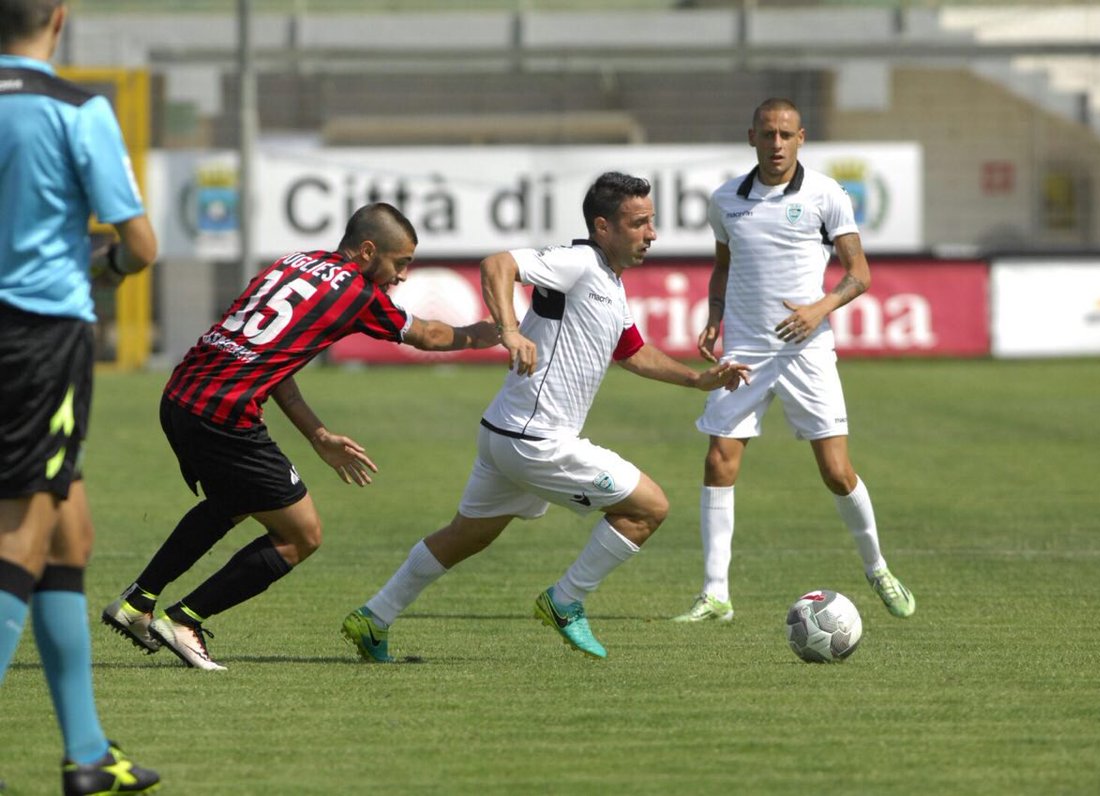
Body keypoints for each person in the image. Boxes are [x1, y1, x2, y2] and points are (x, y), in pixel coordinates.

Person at [340, 172, 750, 661]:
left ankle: (374, 617)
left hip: (504, 434)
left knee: (465, 536)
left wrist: (697, 380)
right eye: (639, 223)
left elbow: (633, 353)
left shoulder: (611, 285)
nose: (652, 234)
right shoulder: (577, 261)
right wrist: (511, 332)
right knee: (649, 508)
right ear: (603, 227)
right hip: (535, 439)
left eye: (652, 222)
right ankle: (566, 600)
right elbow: (497, 263)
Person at [100, 203, 499, 672]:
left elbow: (274, 364)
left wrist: (317, 435)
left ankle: (137, 603)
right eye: (401, 262)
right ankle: (185, 620)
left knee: (235, 499)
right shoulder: (356, 292)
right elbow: (430, 335)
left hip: (181, 396)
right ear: (368, 250)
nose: (403, 275)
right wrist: (502, 331)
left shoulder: (291, 264)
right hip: (225, 413)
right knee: (302, 534)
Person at [671, 98, 915, 624]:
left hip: (808, 351)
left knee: (835, 471)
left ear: (801, 137)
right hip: (746, 351)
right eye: (767, 134)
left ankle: (877, 567)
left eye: (785, 134)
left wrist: (818, 309)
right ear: (752, 137)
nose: (776, 143)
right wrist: (715, 317)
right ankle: (716, 594)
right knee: (719, 460)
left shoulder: (827, 194)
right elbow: (722, 266)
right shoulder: (725, 200)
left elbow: (859, 274)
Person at [0, 1, 162, 793]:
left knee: (71, 537)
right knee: (21, 538)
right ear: (58, 18)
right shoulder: (75, 108)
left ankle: (89, 754)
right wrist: (110, 269)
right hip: (36, 340)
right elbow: (139, 243)